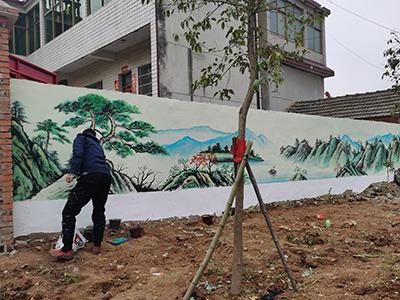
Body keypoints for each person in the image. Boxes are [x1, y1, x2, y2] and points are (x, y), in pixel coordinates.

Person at [50, 128, 112, 260]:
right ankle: (96, 246)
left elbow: (78, 154)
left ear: (85, 133)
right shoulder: (97, 145)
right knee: (99, 211)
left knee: (69, 212)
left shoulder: (81, 138)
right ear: (94, 136)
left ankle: (67, 249)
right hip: (106, 177)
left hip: (91, 176)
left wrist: (72, 172)